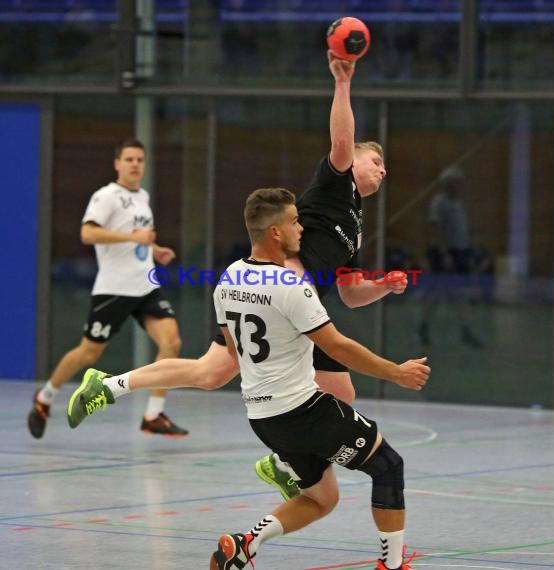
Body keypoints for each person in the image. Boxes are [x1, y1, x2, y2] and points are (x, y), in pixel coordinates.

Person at [68, 51, 405, 499]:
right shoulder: (334, 184)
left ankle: (279, 459)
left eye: (384, 167)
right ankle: (110, 386)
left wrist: (381, 286)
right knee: (229, 376)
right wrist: (343, 82)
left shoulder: (354, 225)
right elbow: (342, 142)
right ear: (354, 163)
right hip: (271, 294)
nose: (382, 170)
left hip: (298, 308)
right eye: (375, 162)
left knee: (242, 379)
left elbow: (349, 293)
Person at [68, 188, 429, 570]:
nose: (301, 227)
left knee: (320, 498)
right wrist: (396, 372)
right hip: (303, 410)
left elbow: (233, 348)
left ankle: (244, 545)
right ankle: (392, 565)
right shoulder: (293, 287)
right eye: (293, 221)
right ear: (275, 232)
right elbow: (337, 347)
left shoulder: (228, 279)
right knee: (387, 465)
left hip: (264, 418)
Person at [27, 139, 188, 439]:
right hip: (114, 289)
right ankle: (45, 396)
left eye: (140, 159)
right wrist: (133, 239)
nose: (135, 164)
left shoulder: (143, 196)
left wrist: (155, 249)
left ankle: (153, 414)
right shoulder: (106, 196)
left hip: (145, 285)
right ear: (117, 163)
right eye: (129, 159)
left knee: (172, 342)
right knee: (88, 353)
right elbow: (87, 233)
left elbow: (138, 236)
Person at [417, 166, 491, 348]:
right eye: (454, 183)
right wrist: (444, 253)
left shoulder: (459, 203)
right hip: (446, 254)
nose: (458, 187)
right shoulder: (439, 203)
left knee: (457, 293)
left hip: (460, 253)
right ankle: (424, 328)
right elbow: (435, 229)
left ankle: (463, 330)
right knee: (438, 292)